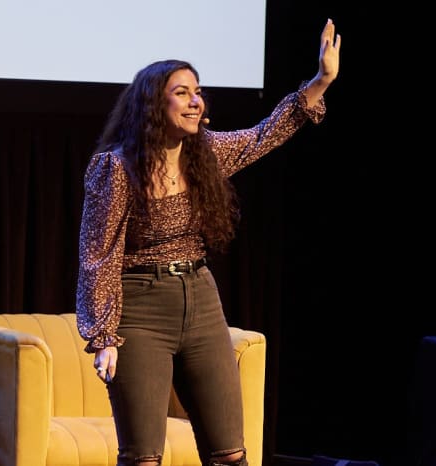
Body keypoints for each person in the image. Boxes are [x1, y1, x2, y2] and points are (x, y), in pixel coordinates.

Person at [76, 18, 341, 466]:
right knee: (143, 456)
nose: (196, 101)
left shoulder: (209, 153)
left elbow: (264, 135)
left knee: (230, 454)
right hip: (140, 309)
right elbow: (97, 255)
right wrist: (103, 335)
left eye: (197, 92)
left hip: (200, 299)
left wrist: (321, 80)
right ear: (151, 104)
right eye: (182, 92)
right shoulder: (116, 169)